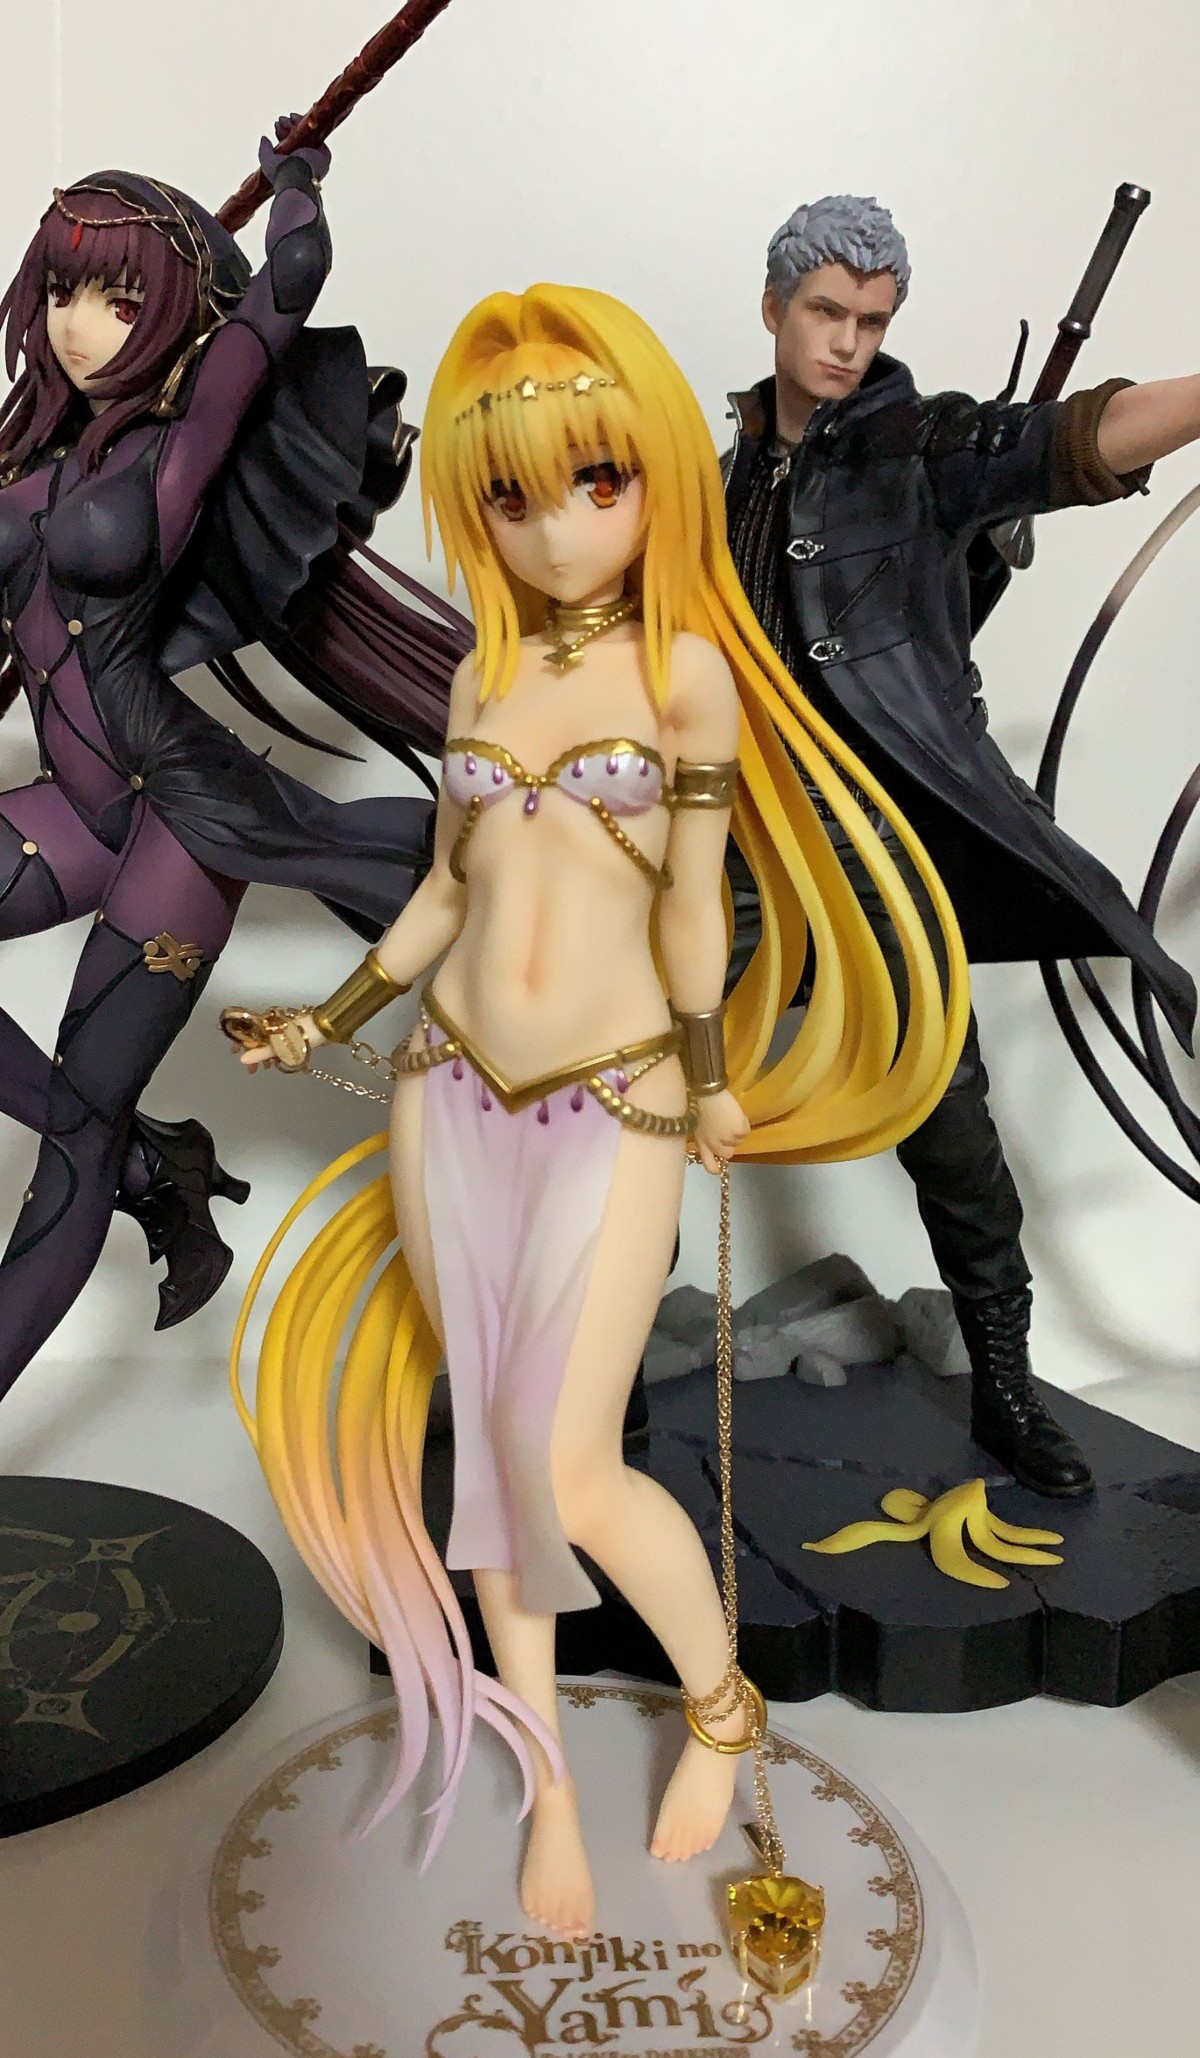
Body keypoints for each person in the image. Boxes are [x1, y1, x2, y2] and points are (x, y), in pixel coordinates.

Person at [227, 282, 968, 1939]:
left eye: (596, 480)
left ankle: (721, 1701)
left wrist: (709, 1077)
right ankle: (548, 1777)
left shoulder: (688, 672)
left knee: (567, 1466)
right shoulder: (481, 676)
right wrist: (323, 1020)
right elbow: (445, 894)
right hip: (449, 1090)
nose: (556, 527)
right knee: (498, 1460)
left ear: (653, 477)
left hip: (619, 1098)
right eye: (511, 496)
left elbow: (696, 897)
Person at [721, 193, 1198, 1497]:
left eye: (871, 320)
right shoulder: (717, 476)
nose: (845, 341)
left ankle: (1005, 1383)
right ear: (774, 309)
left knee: (949, 1124)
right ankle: (598, 1376)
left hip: (877, 844)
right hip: (735, 849)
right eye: (825, 312)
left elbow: (1068, 440)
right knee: (634, 1087)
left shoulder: (920, 447)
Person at [0, 123, 463, 1401]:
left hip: (180, 820)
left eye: (118, 298)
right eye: (62, 290)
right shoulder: (27, 454)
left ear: (168, 315)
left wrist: (299, 176)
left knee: (65, 1162)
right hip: (71, 805)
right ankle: (155, 1166)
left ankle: (116, 1164)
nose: (80, 326)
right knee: (91, 1130)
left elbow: (290, 281)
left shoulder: (187, 436)